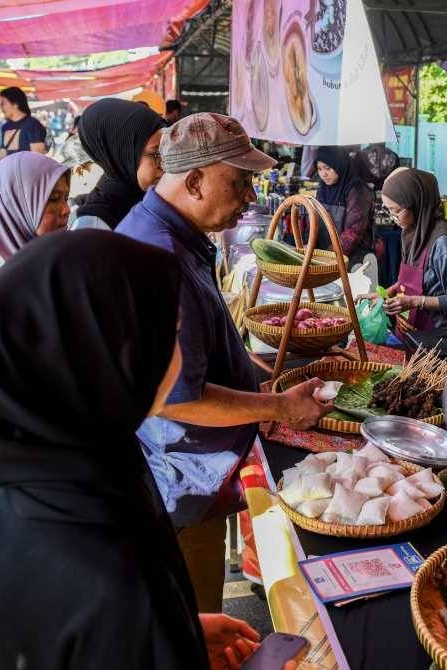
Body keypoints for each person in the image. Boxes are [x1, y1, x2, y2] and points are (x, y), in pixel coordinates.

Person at [0, 231, 270, 669]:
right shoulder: (104, 569)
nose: (179, 356)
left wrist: (177, 629)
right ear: (103, 356)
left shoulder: (30, 477)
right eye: (169, 333)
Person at [116, 112, 333, 612]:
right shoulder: (159, 257)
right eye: (239, 183)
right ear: (194, 181)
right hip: (175, 479)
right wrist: (278, 407)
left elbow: (200, 354)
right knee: (194, 627)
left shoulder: (171, 234)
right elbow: (176, 400)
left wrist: (258, 372)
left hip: (182, 474)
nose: (251, 197)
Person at [0, 152, 70, 295]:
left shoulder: (48, 257)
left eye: (66, 198)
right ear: (14, 205)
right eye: (54, 199)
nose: (66, 210)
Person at [378, 168, 447, 334]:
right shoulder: (411, 231)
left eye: (397, 211)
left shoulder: (443, 241)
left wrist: (415, 302)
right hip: (411, 328)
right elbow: (409, 282)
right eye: (389, 210)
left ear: (417, 204)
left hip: (436, 334)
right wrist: (387, 294)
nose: (394, 217)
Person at [73, 98, 165, 231]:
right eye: (156, 152)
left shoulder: (155, 196)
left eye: (166, 149)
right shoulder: (95, 227)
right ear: (123, 154)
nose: (165, 162)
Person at [313, 146, 375, 270]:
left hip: (353, 258)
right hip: (325, 256)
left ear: (339, 166)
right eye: (319, 169)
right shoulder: (322, 188)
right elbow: (315, 219)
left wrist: (331, 256)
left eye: (328, 168)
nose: (323, 174)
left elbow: (354, 231)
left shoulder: (357, 190)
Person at [0, 86, 47, 159]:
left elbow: (37, 158)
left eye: (3, 103)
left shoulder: (32, 125)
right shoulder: (5, 127)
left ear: (15, 104)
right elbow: (3, 155)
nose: (1, 107)